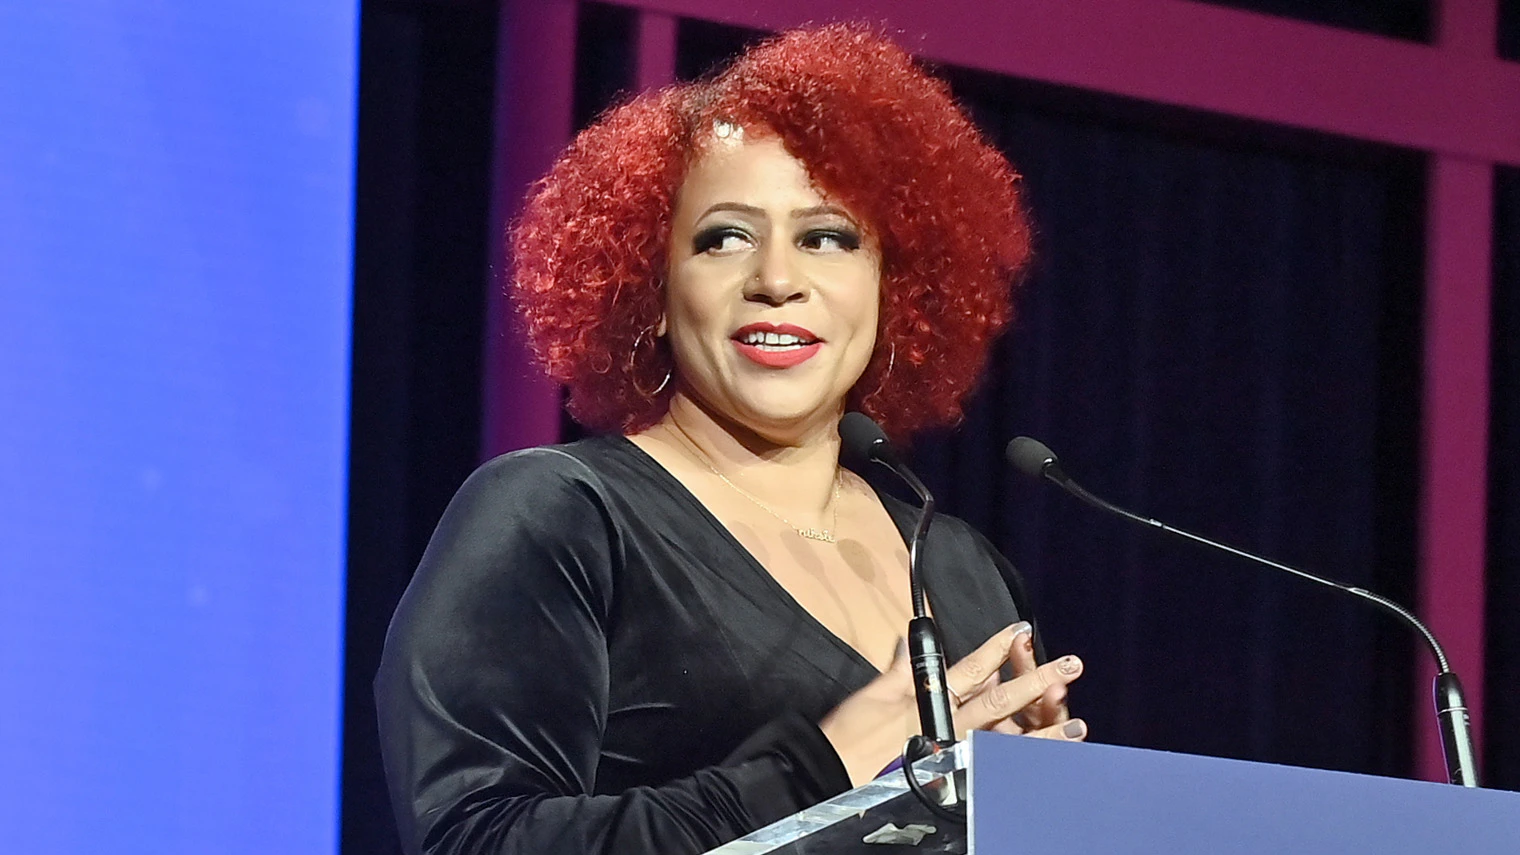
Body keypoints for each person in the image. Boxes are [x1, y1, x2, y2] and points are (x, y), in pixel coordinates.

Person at [375, 24, 1087, 855]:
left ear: (894, 284)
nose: (777, 280)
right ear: (652, 287)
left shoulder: (965, 570)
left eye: (827, 236)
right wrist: (818, 766)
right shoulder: (557, 516)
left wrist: (1048, 812)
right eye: (724, 238)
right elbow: (477, 840)